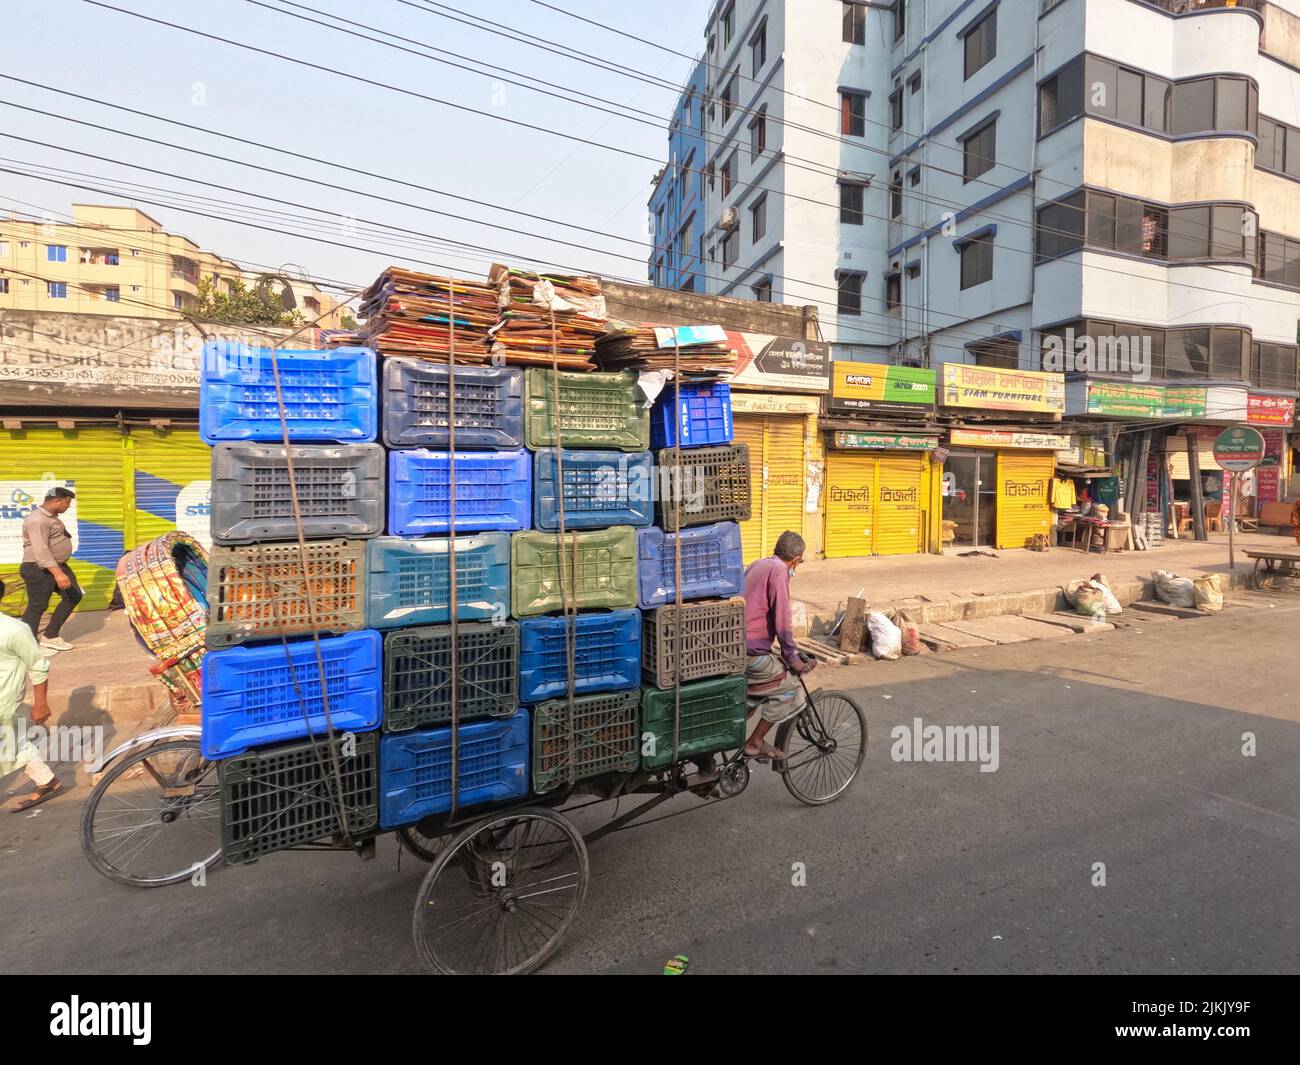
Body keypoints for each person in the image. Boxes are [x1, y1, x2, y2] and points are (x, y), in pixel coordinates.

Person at [741, 530, 814, 761]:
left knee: (763, 685)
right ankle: (754, 743)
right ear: (796, 559)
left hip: (735, 646)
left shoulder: (758, 564)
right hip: (750, 652)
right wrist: (794, 659)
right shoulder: (780, 571)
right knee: (790, 688)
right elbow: (783, 621)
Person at [0, 579, 63, 811]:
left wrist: (41, 703)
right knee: (12, 743)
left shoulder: (14, 630)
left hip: (4, 699)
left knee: (11, 742)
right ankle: (47, 782)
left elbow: (38, 665)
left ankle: (47, 782)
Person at [20, 486, 82, 653]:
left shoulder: (52, 517)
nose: (68, 506)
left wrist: (60, 569)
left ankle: (50, 636)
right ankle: (28, 646)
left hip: (57, 565)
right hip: (38, 568)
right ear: (56, 501)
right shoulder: (37, 520)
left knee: (74, 595)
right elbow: (41, 550)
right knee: (37, 606)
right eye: (67, 503)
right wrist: (58, 573)